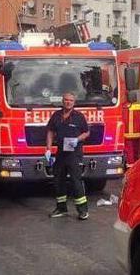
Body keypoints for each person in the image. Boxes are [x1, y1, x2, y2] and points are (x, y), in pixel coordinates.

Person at [45, 92, 90, 220]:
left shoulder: (79, 117)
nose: (68, 102)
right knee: (58, 180)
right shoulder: (56, 116)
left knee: (76, 182)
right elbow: (50, 131)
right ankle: (61, 208)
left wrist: (77, 139)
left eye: (70, 100)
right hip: (60, 153)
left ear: (74, 102)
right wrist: (48, 149)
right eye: (66, 100)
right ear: (62, 101)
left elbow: (86, 132)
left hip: (74, 154)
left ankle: (83, 211)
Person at [124, 99, 140, 165]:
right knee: (136, 150)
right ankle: (136, 163)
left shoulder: (124, 107)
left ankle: (131, 164)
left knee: (129, 151)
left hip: (127, 134)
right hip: (138, 133)